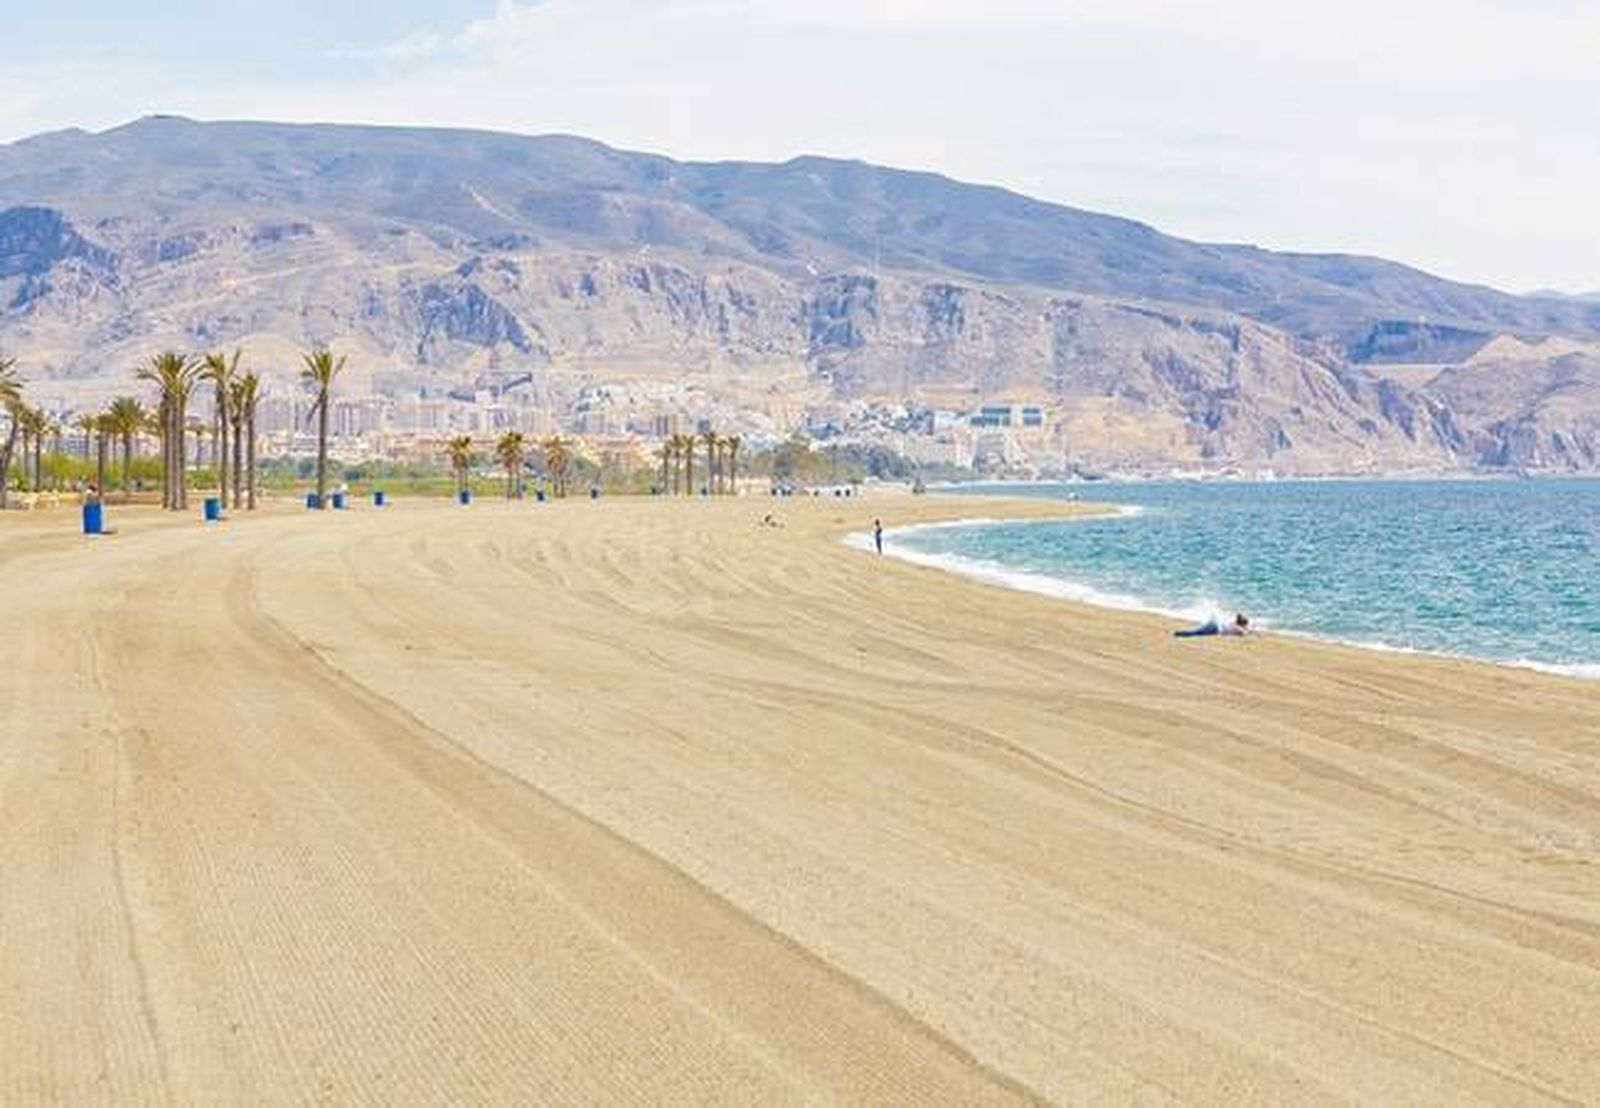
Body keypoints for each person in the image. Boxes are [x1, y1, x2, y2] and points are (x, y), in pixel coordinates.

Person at [1175, 612, 1251, 638]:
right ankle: (1181, 633)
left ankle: (1181, 633)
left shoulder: (1233, 624)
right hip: (1217, 628)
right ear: (1243, 624)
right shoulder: (1239, 629)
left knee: (1197, 631)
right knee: (1197, 633)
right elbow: (1243, 633)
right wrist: (1248, 630)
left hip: (1216, 623)